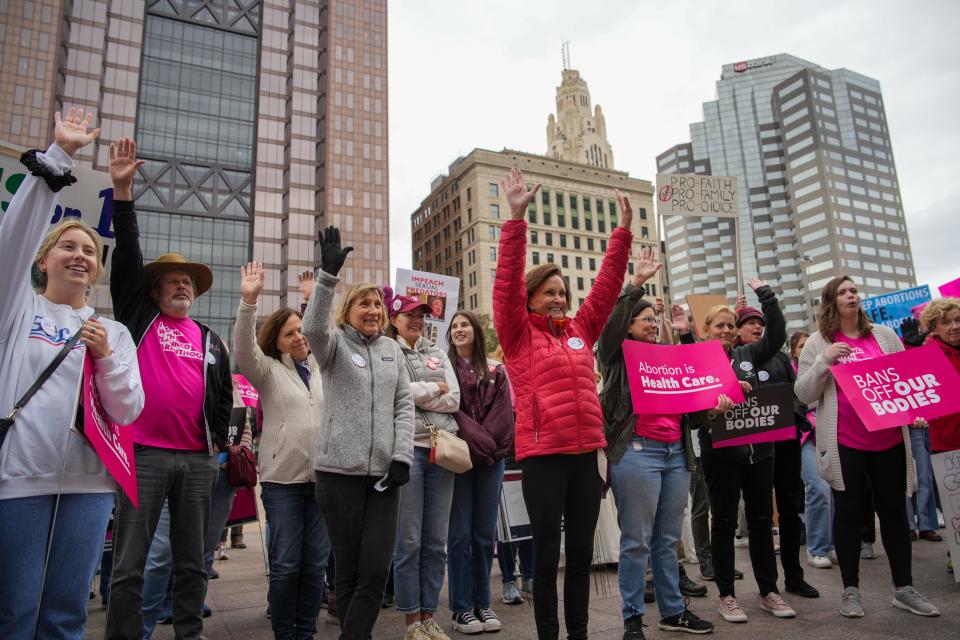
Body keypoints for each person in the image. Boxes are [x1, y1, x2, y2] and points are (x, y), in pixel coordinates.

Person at [0, 109, 144, 640]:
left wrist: (105, 356)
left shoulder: (115, 333)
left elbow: (129, 409)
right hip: (17, 482)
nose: (80, 255)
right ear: (43, 260)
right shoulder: (14, 311)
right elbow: (9, 246)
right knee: (13, 613)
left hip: (89, 486)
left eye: (89, 250)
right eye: (68, 246)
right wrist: (58, 159)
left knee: (66, 616)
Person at [492, 167, 632, 640]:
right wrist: (516, 219)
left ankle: (578, 635)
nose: (559, 299)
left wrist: (623, 234)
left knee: (581, 558)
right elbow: (506, 283)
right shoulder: (516, 336)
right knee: (547, 557)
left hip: (586, 457)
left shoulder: (580, 331)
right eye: (549, 292)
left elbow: (608, 287)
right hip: (544, 459)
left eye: (563, 293)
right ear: (530, 298)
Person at [105, 137, 234, 640]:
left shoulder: (209, 339)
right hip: (143, 456)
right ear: (153, 291)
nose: (182, 287)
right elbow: (129, 254)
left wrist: (217, 441)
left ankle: (188, 634)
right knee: (130, 564)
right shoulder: (138, 318)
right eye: (172, 282)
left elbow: (222, 395)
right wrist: (123, 192)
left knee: (192, 561)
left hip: (198, 461)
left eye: (189, 284)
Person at [795, 275, 939, 619]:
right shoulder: (818, 342)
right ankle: (850, 591)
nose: (851, 295)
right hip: (846, 442)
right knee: (848, 515)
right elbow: (803, 394)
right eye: (843, 291)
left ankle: (904, 589)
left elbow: (906, 382)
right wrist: (824, 361)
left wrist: (916, 411)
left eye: (854, 290)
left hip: (888, 440)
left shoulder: (885, 336)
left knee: (894, 515)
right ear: (831, 301)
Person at [301, 226, 415, 640]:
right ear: (347, 310)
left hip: (385, 477)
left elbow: (404, 403)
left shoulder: (392, 351)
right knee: (347, 572)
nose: (373, 309)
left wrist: (402, 456)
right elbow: (311, 328)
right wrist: (327, 278)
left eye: (378, 304)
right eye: (364, 303)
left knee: (374, 571)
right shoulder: (331, 346)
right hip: (338, 475)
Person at [597, 247, 715, 638]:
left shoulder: (670, 355)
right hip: (637, 453)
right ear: (629, 326)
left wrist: (688, 334)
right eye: (644, 318)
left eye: (654, 318)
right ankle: (632, 616)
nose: (652, 323)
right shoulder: (617, 355)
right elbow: (609, 326)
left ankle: (673, 611)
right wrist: (635, 285)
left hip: (676, 454)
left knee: (667, 540)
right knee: (637, 540)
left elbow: (699, 391)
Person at [235, 261, 330, 639]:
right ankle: (284, 633)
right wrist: (249, 302)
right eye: (289, 333)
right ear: (276, 340)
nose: (298, 337)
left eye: (300, 330)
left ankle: (305, 632)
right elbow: (244, 348)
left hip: (322, 482)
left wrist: (312, 301)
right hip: (282, 484)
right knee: (287, 564)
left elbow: (324, 331)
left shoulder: (325, 367)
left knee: (315, 566)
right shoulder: (267, 371)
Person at [695, 279, 795, 624]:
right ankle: (726, 595)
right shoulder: (699, 361)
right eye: (719, 326)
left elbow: (777, 334)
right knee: (723, 522)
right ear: (705, 330)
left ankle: (769, 591)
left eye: (730, 325)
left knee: (761, 521)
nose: (726, 330)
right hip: (721, 454)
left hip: (760, 451)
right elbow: (693, 410)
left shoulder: (748, 354)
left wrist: (765, 296)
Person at [384, 287, 462, 640]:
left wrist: (419, 393)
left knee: (435, 541)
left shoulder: (437, 352)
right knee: (409, 541)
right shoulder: (386, 350)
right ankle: (412, 623)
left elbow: (455, 399)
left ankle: (430, 616)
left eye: (421, 316)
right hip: (407, 450)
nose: (416, 321)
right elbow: (394, 393)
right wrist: (433, 390)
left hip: (441, 451)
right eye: (409, 316)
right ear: (394, 320)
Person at [733, 304, 820, 599]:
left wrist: (791, 415)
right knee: (759, 515)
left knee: (790, 509)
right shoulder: (735, 359)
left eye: (760, 323)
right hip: (753, 449)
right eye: (749, 323)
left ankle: (794, 576)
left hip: (785, 441)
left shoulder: (781, 358)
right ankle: (767, 586)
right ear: (737, 329)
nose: (757, 327)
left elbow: (797, 393)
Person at [445, 310, 514, 634]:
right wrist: (477, 439)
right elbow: (450, 411)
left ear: (475, 330)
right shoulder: (443, 367)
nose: (459, 330)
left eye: (464, 325)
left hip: (491, 461)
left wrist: (486, 446)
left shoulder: (497, 371)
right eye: (454, 326)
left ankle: (483, 604)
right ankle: (461, 609)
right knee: (458, 535)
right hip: (458, 458)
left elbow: (504, 416)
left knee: (484, 536)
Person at [789, 332, 835, 569]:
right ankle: (816, 548)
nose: (807, 349)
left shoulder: (829, 366)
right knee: (817, 488)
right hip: (805, 436)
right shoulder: (791, 372)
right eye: (801, 346)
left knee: (834, 488)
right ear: (794, 351)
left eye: (810, 345)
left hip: (830, 430)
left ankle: (832, 544)